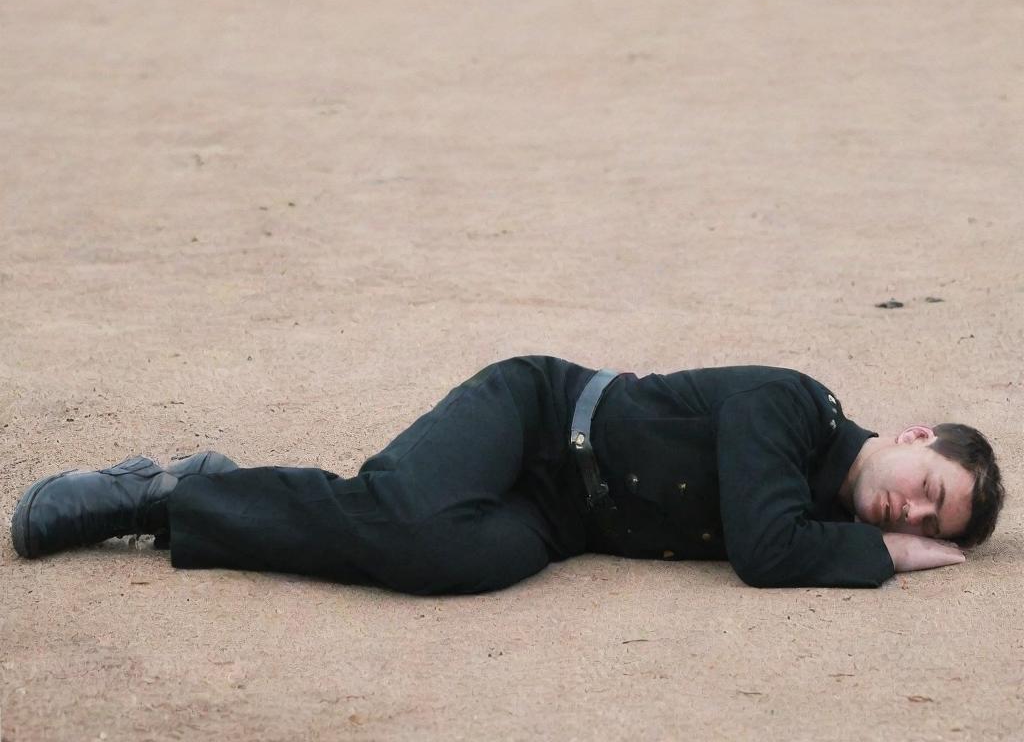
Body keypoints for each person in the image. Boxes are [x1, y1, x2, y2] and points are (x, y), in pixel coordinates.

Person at [10, 356, 1004, 593]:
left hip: (564, 516)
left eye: (933, 519)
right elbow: (762, 547)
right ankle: (158, 490)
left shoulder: (823, 495)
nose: (912, 504)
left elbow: (779, 537)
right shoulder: (799, 408)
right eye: (930, 485)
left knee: (439, 558)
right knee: (401, 512)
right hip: (532, 414)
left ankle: (211, 487)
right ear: (914, 435)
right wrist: (882, 552)